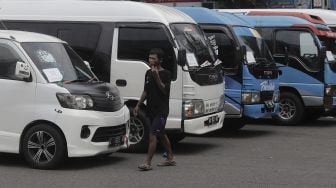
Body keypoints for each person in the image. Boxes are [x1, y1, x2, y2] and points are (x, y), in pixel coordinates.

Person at [134, 48, 176, 171]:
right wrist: (138, 105)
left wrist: (157, 77)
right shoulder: (147, 73)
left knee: (153, 135)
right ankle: (171, 158)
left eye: (153, 58)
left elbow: (164, 91)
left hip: (161, 111)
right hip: (151, 109)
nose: (150, 60)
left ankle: (147, 163)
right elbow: (146, 91)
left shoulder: (166, 74)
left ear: (160, 60)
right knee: (161, 133)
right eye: (150, 57)